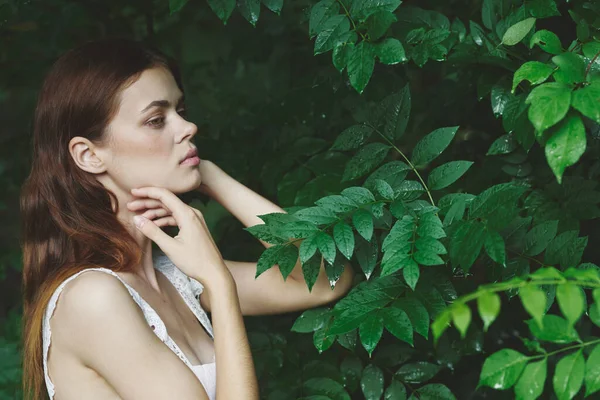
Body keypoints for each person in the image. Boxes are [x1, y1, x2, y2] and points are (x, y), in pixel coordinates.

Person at [20, 36, 355, 399]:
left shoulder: (174, 277)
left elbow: (326, 279)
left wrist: (212, 179)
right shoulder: (92, 298)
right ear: (88, 155)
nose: (187, 127)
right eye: (155, 120)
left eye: (181, 111)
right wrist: (219, 283)